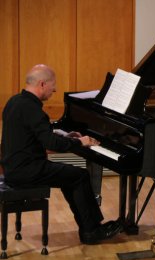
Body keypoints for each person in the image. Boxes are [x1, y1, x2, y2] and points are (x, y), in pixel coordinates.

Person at [1, 64, 122, 245]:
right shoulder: (33, 110)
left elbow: (37, 135)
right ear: (42, 84)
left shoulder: (14, 102)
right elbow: (50, 143)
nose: (55, 89)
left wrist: (66, 135)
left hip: (13, 167)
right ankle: (91, 231)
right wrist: (80, 142)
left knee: (70, 177)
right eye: (53, 85)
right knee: (79, 176)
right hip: (27, 170)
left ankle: (89, 227)